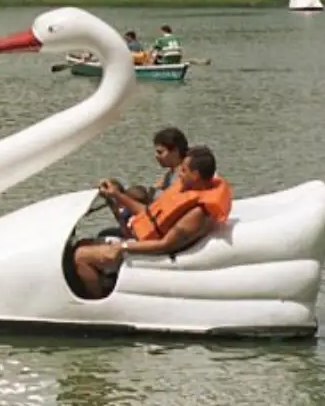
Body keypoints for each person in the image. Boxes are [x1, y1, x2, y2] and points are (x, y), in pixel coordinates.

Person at [73, 146, 232, 299]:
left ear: (196, 175)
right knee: (82, 243)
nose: (179, 175)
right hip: (141, 239)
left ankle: (98, 304)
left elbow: (165, 244)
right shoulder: (190, 190)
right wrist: (116, 196)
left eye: (183, 170)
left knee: (80, 256)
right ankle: (104, 282)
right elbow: (149, 215)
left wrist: (121, 247)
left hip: (152, 253)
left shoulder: (197, 214)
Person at [100, 127, 189, 236]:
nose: (156, 156)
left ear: (175, 151)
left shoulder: (180, 179)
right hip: (150, 220)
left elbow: (152, 214)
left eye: (160, 152)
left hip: (157, 226)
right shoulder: (170, 174)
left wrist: (117, 195)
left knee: (105, 234)